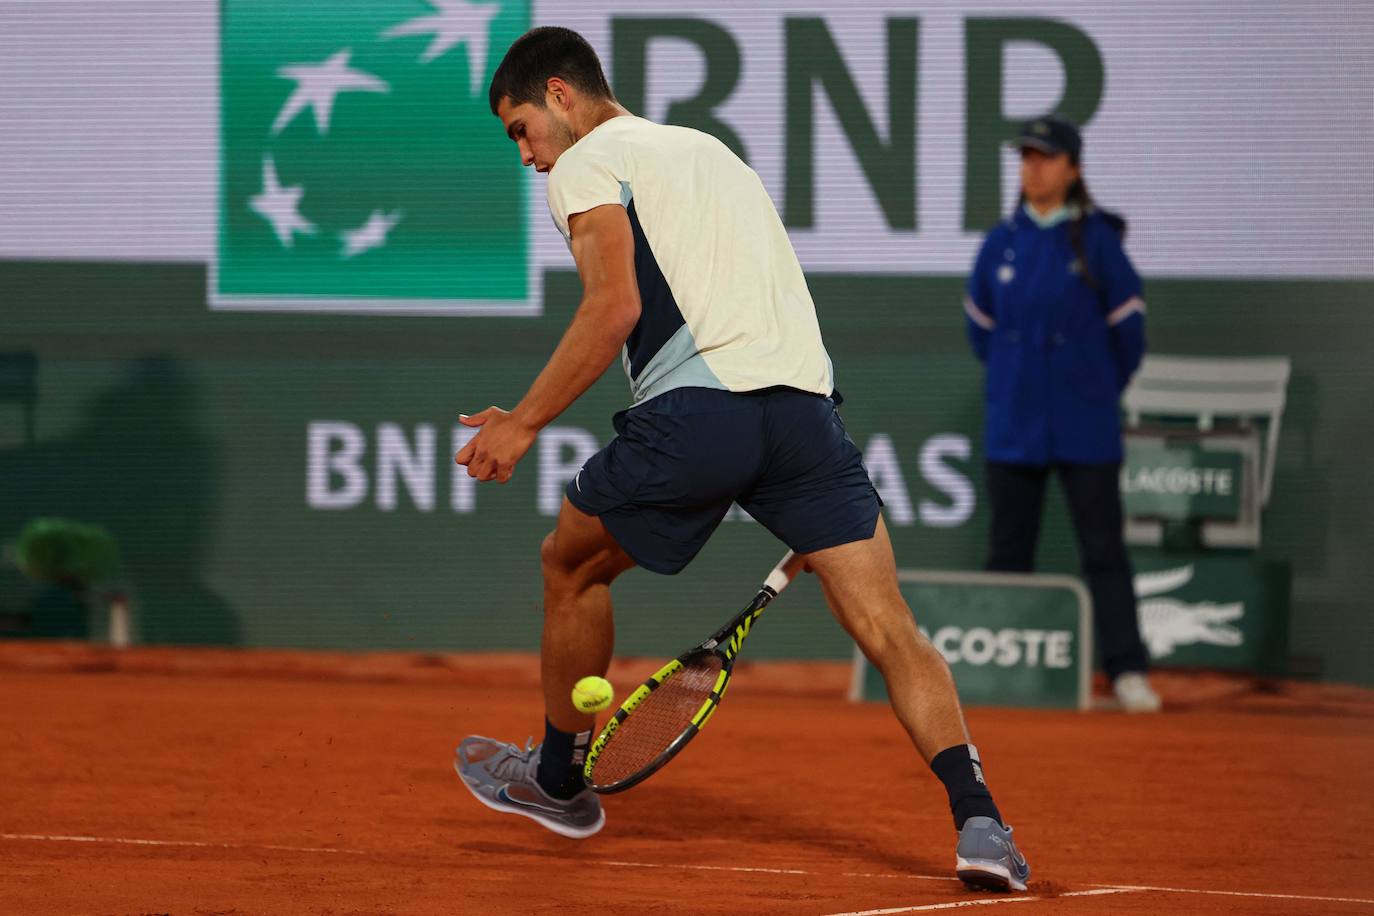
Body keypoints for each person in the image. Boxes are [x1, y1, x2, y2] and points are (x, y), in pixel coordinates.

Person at [454, 27, 1030, 891]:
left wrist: (524, 421)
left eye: (522, 130)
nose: (528, 156)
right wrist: (796, 461)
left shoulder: (586, 163)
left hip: (698, 412)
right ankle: (981, 823)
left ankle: (561, 781)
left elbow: (614, 309)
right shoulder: (713, 153)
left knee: (568, 565)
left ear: (562, 96)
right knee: (889, 627)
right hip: (806, 416)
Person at [963, 116, 1161, 713]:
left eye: (1045, 158)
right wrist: (1018, 385)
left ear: (1072, 169)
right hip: (1015, 423)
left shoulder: (1098, 240)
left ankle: (1126, 671)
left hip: (1086, 423)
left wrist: (1090, 387)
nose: (1033, 168)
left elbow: (1129, 336)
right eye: (1025, 157)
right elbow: (982, 333)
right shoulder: (1000, 243)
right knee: (1008, 552)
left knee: (1103, 552)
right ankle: (1001, 666)